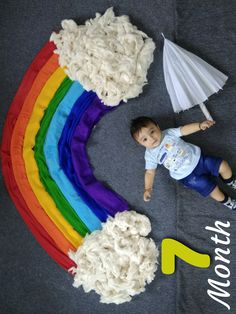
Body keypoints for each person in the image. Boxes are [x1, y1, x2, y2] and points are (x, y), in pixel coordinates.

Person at [130, 116, 236, 209]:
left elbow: (184, 130)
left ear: (157, 126)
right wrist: (148, 188)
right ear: (141, 144)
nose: (151, 138)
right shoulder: (150, 155)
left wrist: (199, 125)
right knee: (213, 191)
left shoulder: (168, 134)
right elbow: (149, 172)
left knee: (223, 165)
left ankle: (230, 181)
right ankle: (228, 202)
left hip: (199, 160)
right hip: (187, 176)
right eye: (144, 139)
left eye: (152, 132)